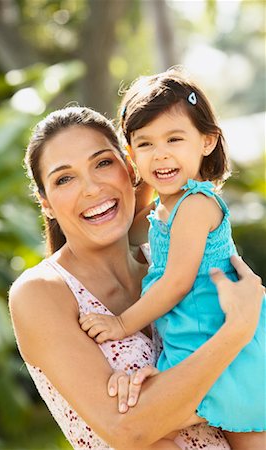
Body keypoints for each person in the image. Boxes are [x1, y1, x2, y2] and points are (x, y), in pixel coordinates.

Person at [9, 106, 264, 450]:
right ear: (46, 204)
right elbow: (129, 429)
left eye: (102, 163)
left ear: (130, 169)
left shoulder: (170, 263)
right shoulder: (42, 293)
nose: (91, 188)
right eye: (64, 179)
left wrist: (161, 399)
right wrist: (236, 332)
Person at [79, 70, 266, 449]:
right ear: (130, 154)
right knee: (153, 430)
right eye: (144, 144)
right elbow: (123, 233)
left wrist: (120, 324)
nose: (160, 153)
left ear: (207, 141)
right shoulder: (164, 208)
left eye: (174, 139)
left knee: (153, 430)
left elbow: (177, 281)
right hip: (193, 344)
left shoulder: (196, 204)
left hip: (220, 347)